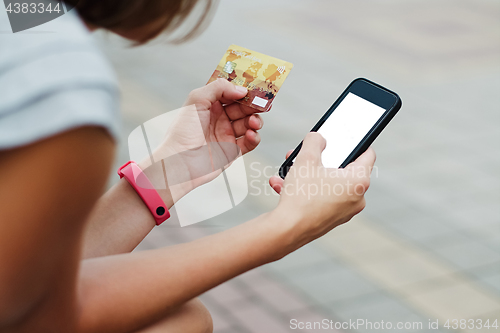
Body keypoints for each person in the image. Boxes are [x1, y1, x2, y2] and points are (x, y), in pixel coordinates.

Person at [0, 0, 376, 332]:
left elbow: (25, 277)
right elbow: (35, 316)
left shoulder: (19, 21)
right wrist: (287, 227)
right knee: (180, 321)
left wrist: (170, 172)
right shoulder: (58, 85)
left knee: (182, 318)